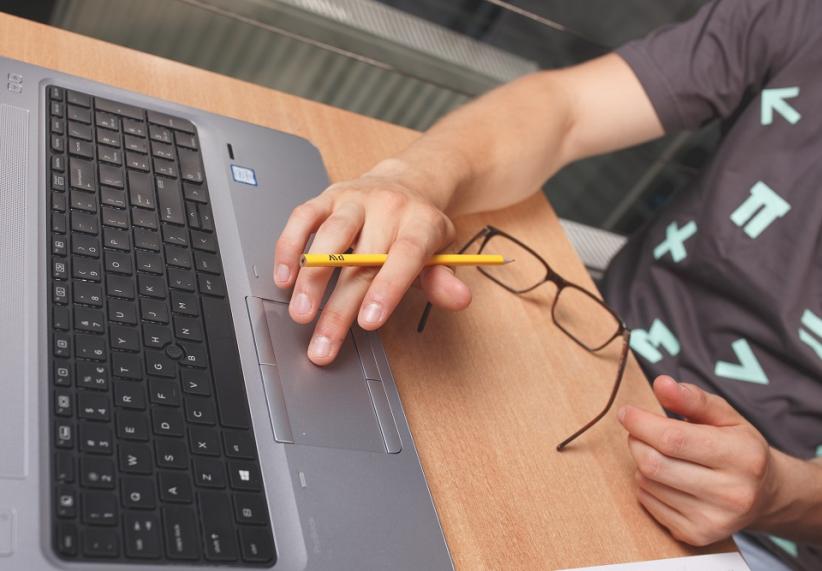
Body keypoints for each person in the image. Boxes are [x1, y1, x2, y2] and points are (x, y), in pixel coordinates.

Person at [272, 0, 822, 567]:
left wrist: (784, 493)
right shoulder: (800, 18)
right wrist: (412, 180)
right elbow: (568, 108)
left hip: (755, 522)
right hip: (590, 343)